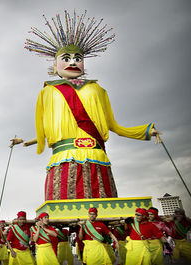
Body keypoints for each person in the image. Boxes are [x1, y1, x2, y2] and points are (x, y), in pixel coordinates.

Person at [11, 10, 160, 200]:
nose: (73, 62)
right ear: (55, 66)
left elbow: (113, 125)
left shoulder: (97, 89)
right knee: (66, 207)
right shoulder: (47, 91)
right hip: (64, 158)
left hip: (95, 156)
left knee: (102, 206)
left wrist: (146, 131)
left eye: (78, 58)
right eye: (66, 58)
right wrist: (26, 141)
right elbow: (45, 129)